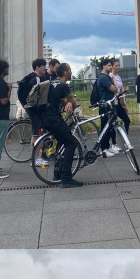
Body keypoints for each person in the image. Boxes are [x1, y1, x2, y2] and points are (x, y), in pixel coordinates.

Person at [41, 60, 86, 188]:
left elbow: (61, 99)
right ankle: (66, 178)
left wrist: (66, 102)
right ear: (65, 72)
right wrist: (70, 102)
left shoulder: (52, 83)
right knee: (71, 143)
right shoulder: (63, 86)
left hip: (46, 118)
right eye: (70, 70)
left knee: (61, 143)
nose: (71, 72)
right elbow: (74, 101)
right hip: (54, 119)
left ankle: (57, 174)